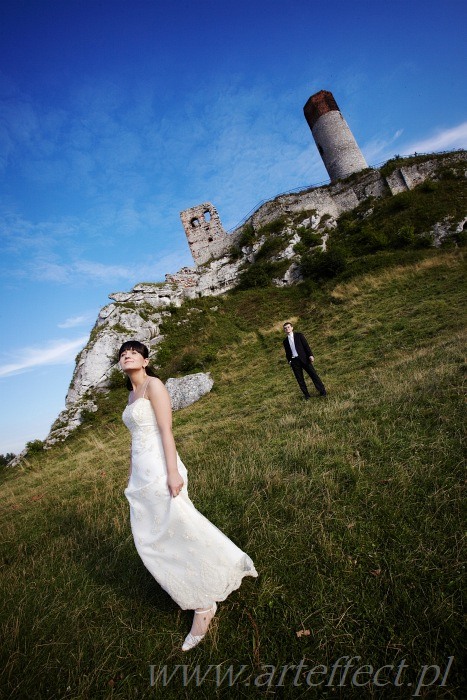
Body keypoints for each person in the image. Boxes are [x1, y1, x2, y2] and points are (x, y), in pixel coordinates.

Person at [119, 340, 257, 651]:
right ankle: (188, 584)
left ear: (145, 360)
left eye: (134, 353)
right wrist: (131, 474)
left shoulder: (154, 385)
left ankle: (204, 605)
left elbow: (166, 430)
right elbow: (134, 440)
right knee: (153, 537)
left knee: (180, 527)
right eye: (123, 354)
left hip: (160, 466)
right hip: (141, 472)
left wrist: (172, 472)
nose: (128, 356)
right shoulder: (130, 395)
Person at [282, 322, 327, 399]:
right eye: (285, 328)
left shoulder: (299, 336)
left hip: (304, 359)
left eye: (288, 327)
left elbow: (306, 346)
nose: (287, 329)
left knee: (313, 375)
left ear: (292, 328)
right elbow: (287, 352)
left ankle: (322, 391)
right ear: (284, 330)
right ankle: (306, 395)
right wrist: (289, 361)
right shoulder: (285, 341)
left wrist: (311, 355)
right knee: (300, 379)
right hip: (294, 361)